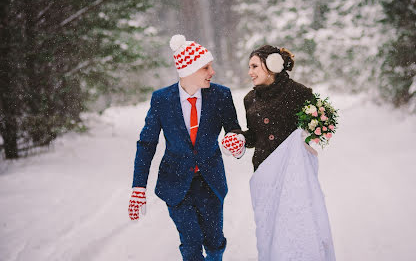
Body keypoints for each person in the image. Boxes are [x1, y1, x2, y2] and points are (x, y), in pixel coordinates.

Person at [128, 34, 241, 261]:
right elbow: (147, 144)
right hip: (175, 183)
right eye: (206, 67)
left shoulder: (221, 95)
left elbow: (234, 130)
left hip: (210, 182)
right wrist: (138, 187)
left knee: (214, 240)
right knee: (190, 242)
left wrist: (236, 144)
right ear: (189, 69)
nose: (212, 72)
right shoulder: (161, 99)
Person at [222, 45, 336, 261]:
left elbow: (320, 126)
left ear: (272, 65)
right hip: (265, 172)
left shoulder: (299, 93)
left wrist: (309, 136)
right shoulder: (249, 99)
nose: (250, 72)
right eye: (249, 67)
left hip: (295, 175)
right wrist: (240, 139)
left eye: (254, 66)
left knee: (298, 227)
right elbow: (255, 136)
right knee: (270, 231)